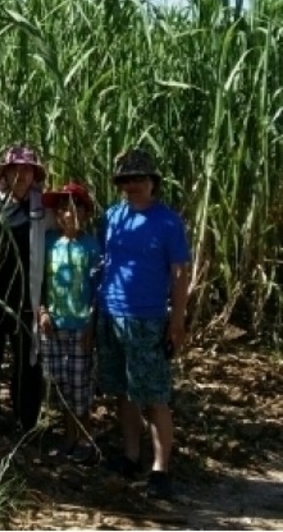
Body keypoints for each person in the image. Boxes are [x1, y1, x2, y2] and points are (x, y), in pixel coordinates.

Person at [96, 148, 191, 500]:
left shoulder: (167, 222)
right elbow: (105, 263)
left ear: (152, 181)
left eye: (138, 178)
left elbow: (179, 273)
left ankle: (160, 470)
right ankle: (131, 455)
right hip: (111, 315)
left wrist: (177, 319)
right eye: (125, 180)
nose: (131, 185)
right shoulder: (112, 217)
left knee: (153, 396)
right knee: (123, 391)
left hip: (148, 319)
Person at [0, 145, 50, 431]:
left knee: (28, 362)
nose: (21, 175)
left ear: (34, 175)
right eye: (14, 169)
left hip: (27, 297)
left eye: (27, 169)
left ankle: (25, 421)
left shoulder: (43, 209)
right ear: (4, 174)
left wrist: (45, 302)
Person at [38, 181, 102, 462]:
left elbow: (98, 288)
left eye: (76, 208)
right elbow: (38, 281)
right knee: (62, 385)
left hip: (80, 327)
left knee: (80, 385)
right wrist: (42, 311)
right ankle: (68, 437)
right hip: (53, 326)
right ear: (57, 214)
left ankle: (86, 438)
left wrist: (91, 325)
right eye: (63, 209)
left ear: (86, 213)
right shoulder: (49, 243)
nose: (69, 214)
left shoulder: (91, 246)